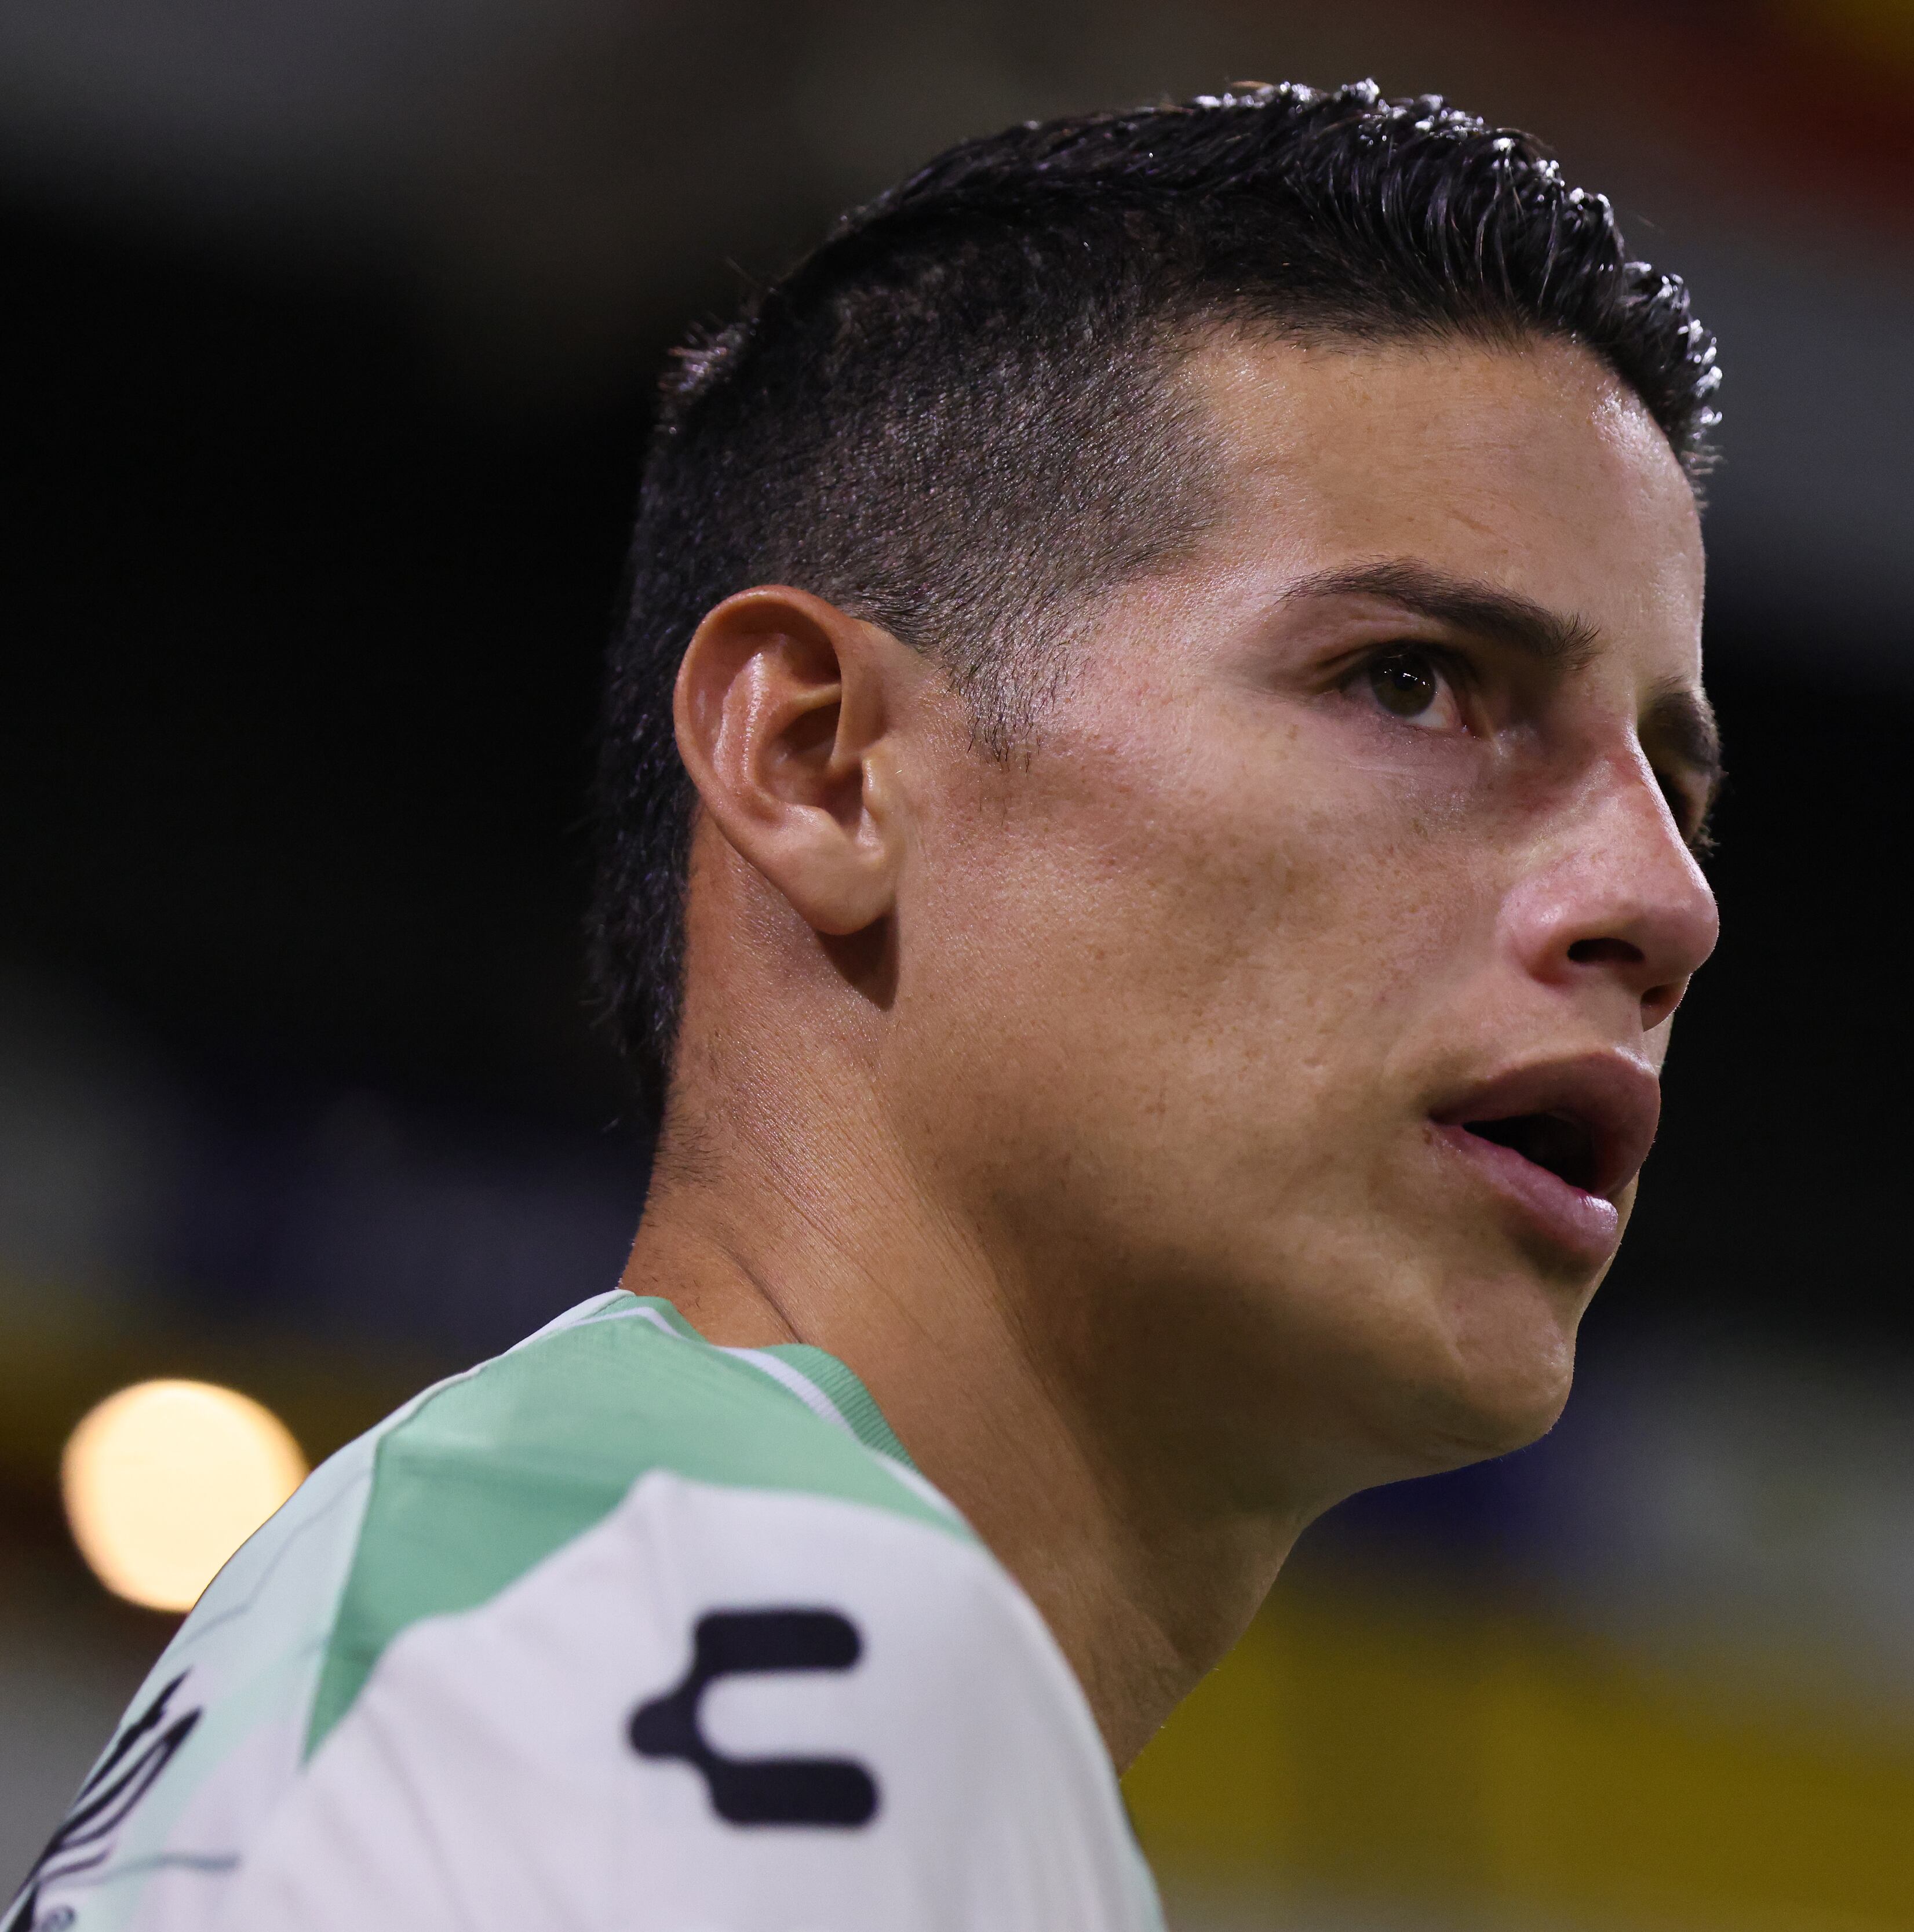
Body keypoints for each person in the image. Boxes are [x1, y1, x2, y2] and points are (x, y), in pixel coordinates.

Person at [13, 79, 1723, 1931]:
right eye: (1411, 682)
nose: (1665, 903)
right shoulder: (760, 1625)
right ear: (821, 765)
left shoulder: (548, 1580)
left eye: (1679, 788)